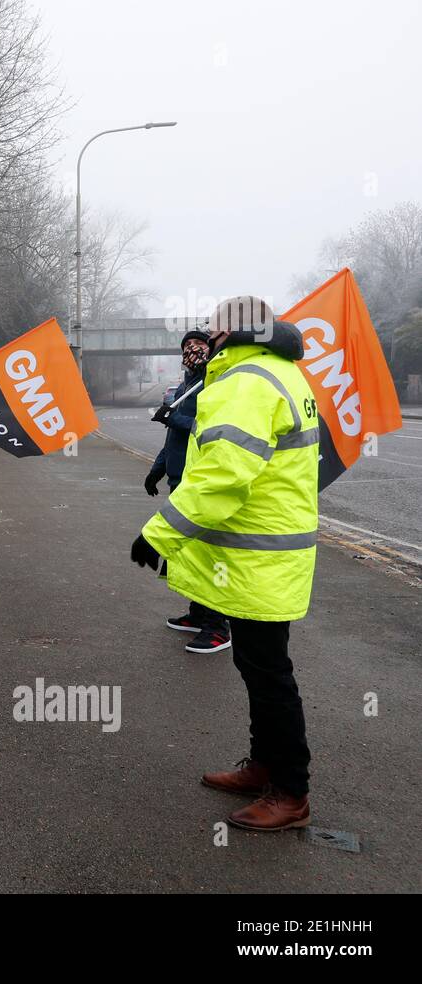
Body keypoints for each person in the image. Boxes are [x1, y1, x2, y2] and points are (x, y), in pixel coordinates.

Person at [131, 296, 318, 831]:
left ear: (235, 332)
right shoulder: (278, 372)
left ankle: (291, 793)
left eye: (212, 328)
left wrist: (159, 534)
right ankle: (264, 767)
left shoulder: (247, 382)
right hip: (266, 553)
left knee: (269, 674)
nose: (205, 336)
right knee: (258, 667)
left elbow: (222, 476)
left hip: (260, 554)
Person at [144, 329, 232, 654]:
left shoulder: (214, 382)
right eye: (187, 346)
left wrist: (175, 418)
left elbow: (207, 428)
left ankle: (217, 628)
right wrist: (157, 470)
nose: (192, 350)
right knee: (189, 555)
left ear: (210, 350)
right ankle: (198, 615)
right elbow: (175, 439)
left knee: (206, 556)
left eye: (198, 345)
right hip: (180, 480)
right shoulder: (186, 383)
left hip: (200, 481)